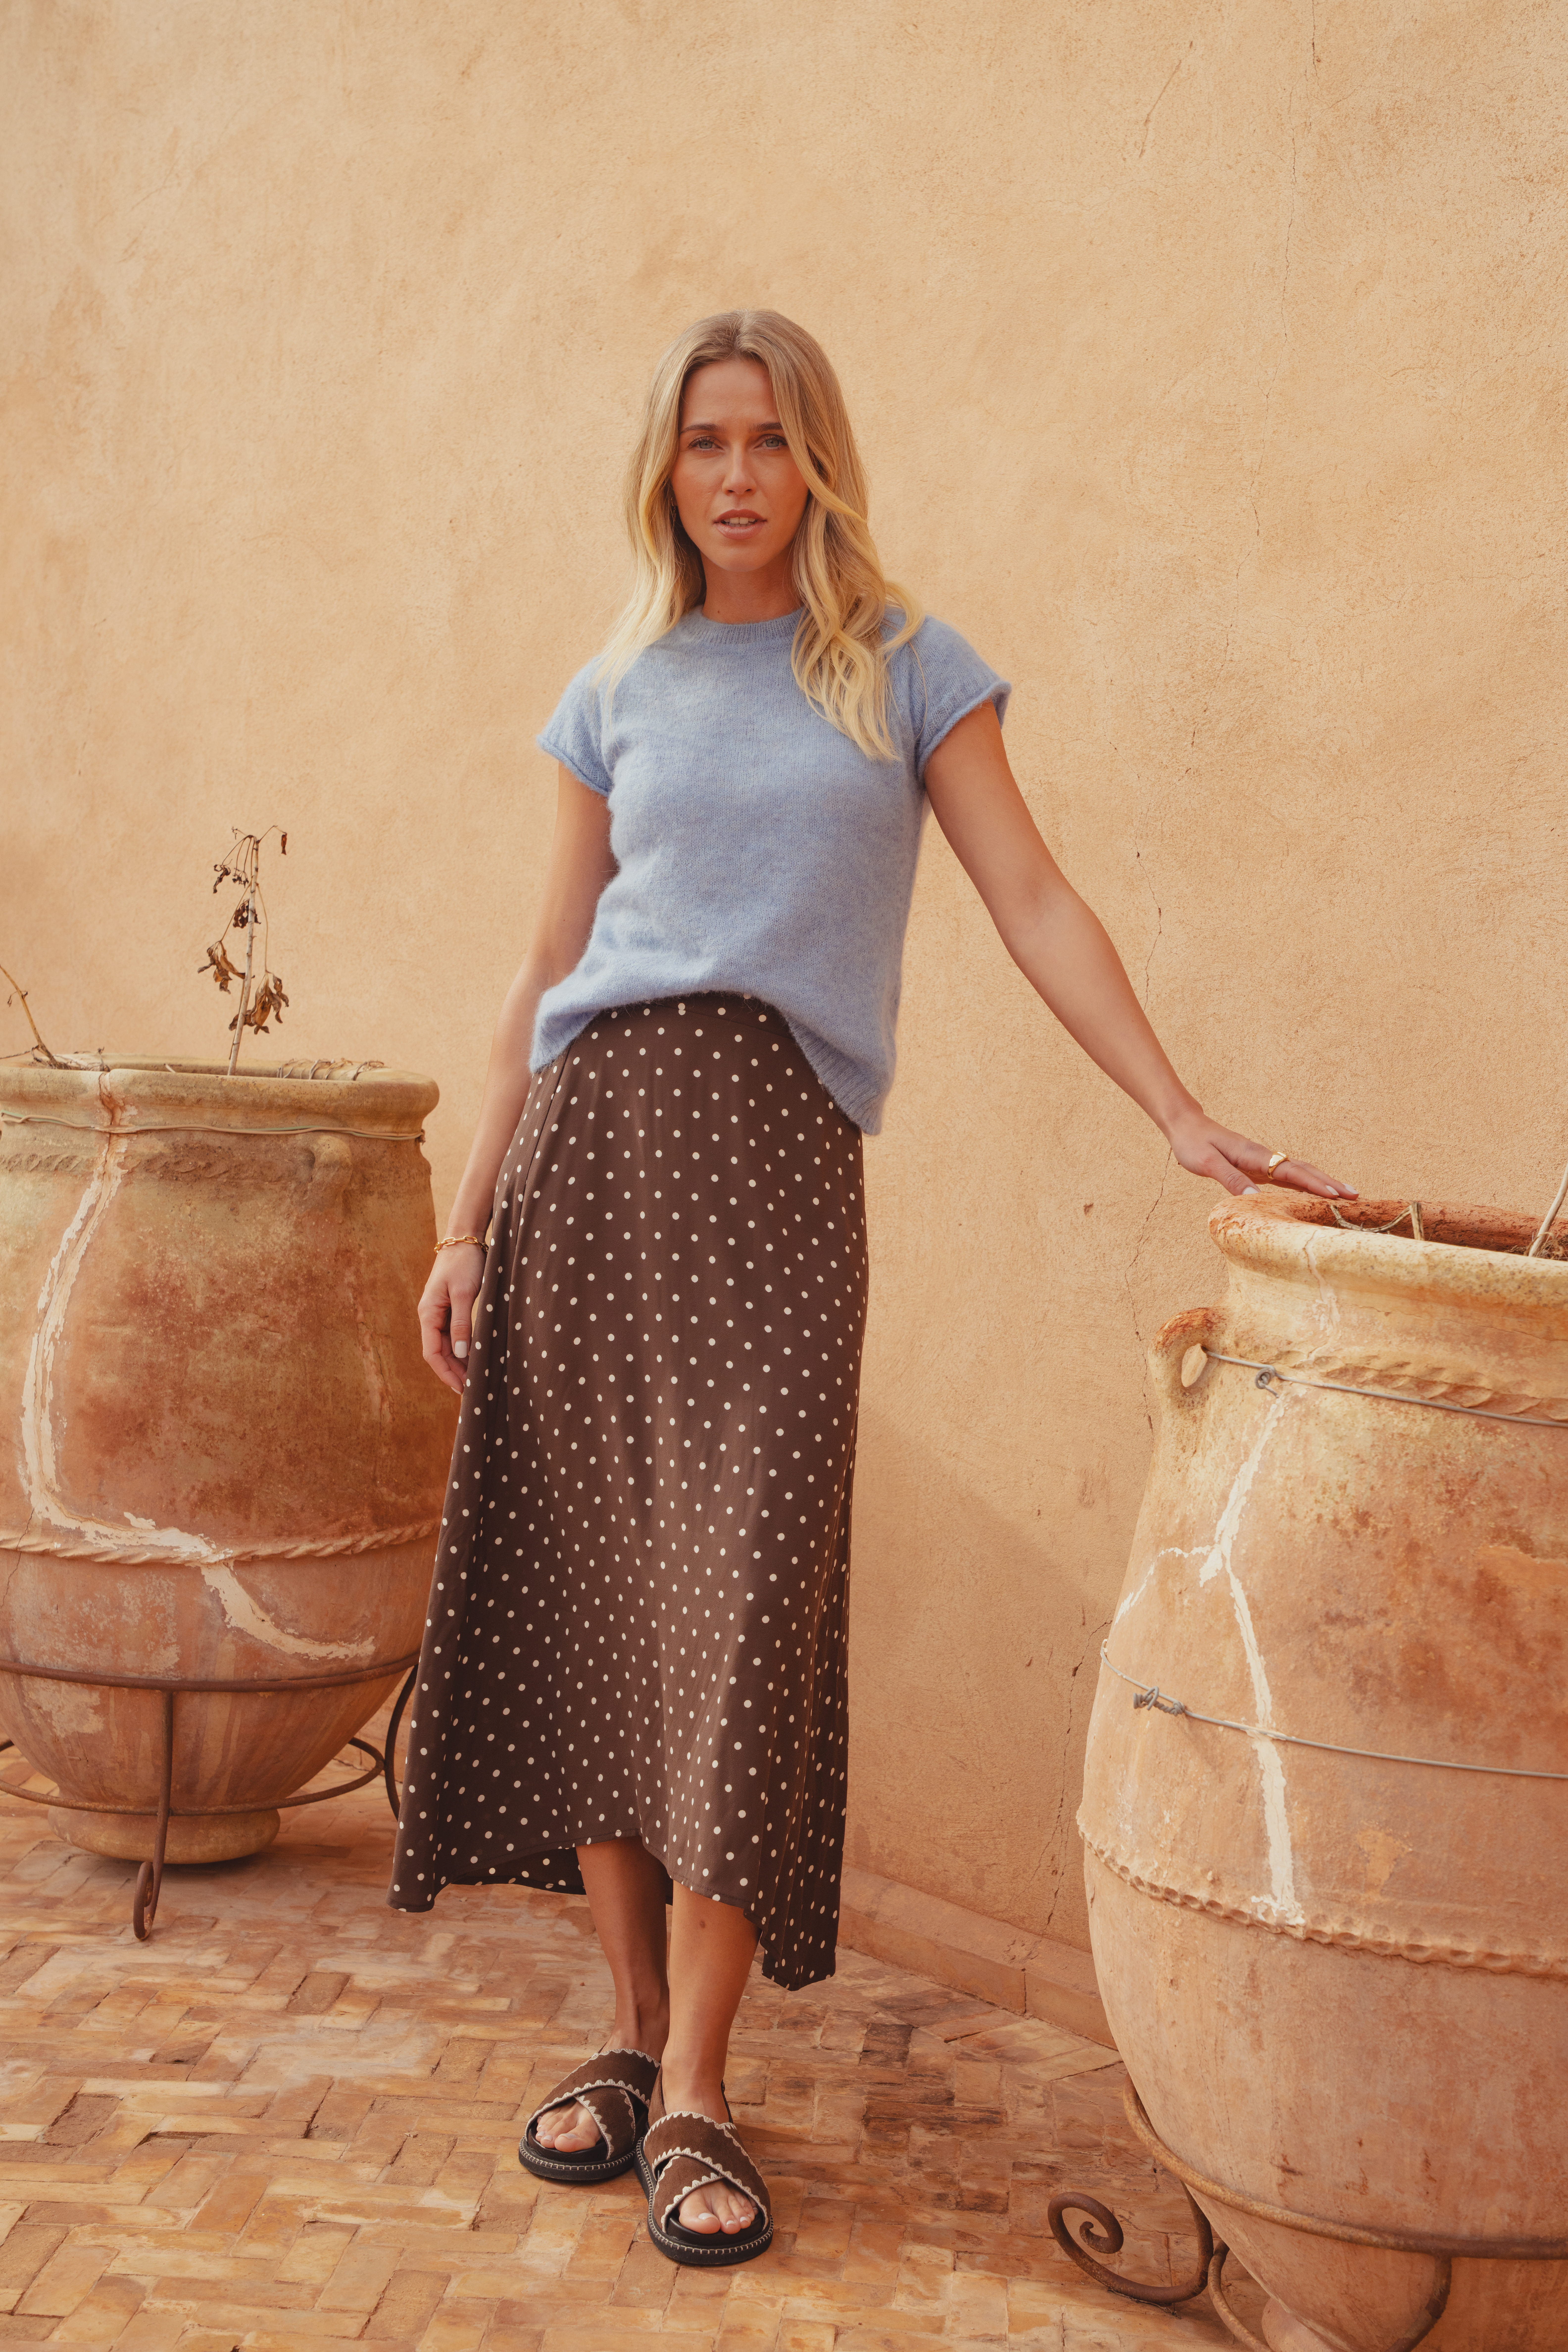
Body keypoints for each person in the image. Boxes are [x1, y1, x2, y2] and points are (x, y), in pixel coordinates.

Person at [389, 308, 1354, 2270]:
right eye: (701, 443)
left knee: (743, 1598)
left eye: (767, 439)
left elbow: (1034, 900)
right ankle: (626, 2028)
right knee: (606, 1597)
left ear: (819, 460)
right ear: (667, 470)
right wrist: (466, 1217)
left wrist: (1177, 1112)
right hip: (594, 1156)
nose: (733, 473)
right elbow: (537, 973)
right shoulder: (619, 688)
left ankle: (705, 2085)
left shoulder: (908, 674)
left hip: (773, 1170)